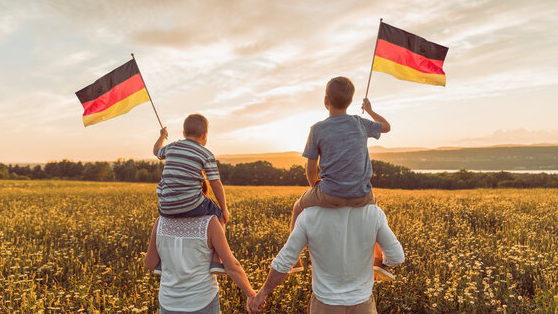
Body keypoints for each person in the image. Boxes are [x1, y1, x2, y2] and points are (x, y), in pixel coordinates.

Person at [289, 77, 392, 278]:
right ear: (351, 102)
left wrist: (316, 191)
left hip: (329, 194)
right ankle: (379, 259)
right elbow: (386, 126)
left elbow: (311, 170)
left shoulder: (317, 129)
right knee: (374, 211)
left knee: (297, 208)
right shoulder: (360, 123)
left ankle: (294, 259)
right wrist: (369, 109)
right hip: (362, 194)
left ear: (326, 100)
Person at [249, 205, 405, 313]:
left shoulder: (309, 215)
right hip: (363, 304)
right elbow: (396, 257)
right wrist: (378, 264)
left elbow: (284, 262)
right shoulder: (373, 212)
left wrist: (262, 293)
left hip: (325, 305)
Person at [153, 113, 229, 273]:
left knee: (165, 223)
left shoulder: (172, 147)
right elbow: (215, 183)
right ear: (205, 135)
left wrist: (162, 136)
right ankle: (216, 259)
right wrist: (224, 209)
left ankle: (160, 261)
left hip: (165, 206)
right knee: (219, 216)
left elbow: (156, 151)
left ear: (183, 133)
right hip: (191, 204)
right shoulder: (206, 154)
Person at [145, 214, 256, 313]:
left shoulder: (161, 222)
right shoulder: (210, 222)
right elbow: (232, 267)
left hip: (168, 303)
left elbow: (150, 264)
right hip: (203, 301)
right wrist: (251, 294)